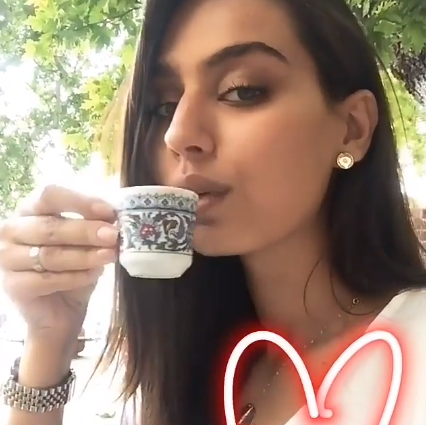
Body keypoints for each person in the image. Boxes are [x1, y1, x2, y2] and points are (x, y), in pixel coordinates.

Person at [1, 0, 426, 424]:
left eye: (242, 91)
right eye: (164, 106)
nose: (178, 134)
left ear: (352, 128)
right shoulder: (196, 371)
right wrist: (49, 341)